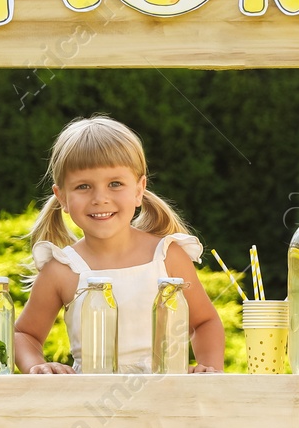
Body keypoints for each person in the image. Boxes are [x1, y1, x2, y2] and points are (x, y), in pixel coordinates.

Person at [13, 116, 225, 374]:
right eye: (83, 186)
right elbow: (25, 334)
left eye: (115, 184)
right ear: (62, 198)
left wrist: (209, 372)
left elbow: (204, 322)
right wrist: (38, 366)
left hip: (166, 402)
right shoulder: (62, 270)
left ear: (139, 190)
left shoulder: (168, 257)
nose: (100, 198)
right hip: (89, 403)